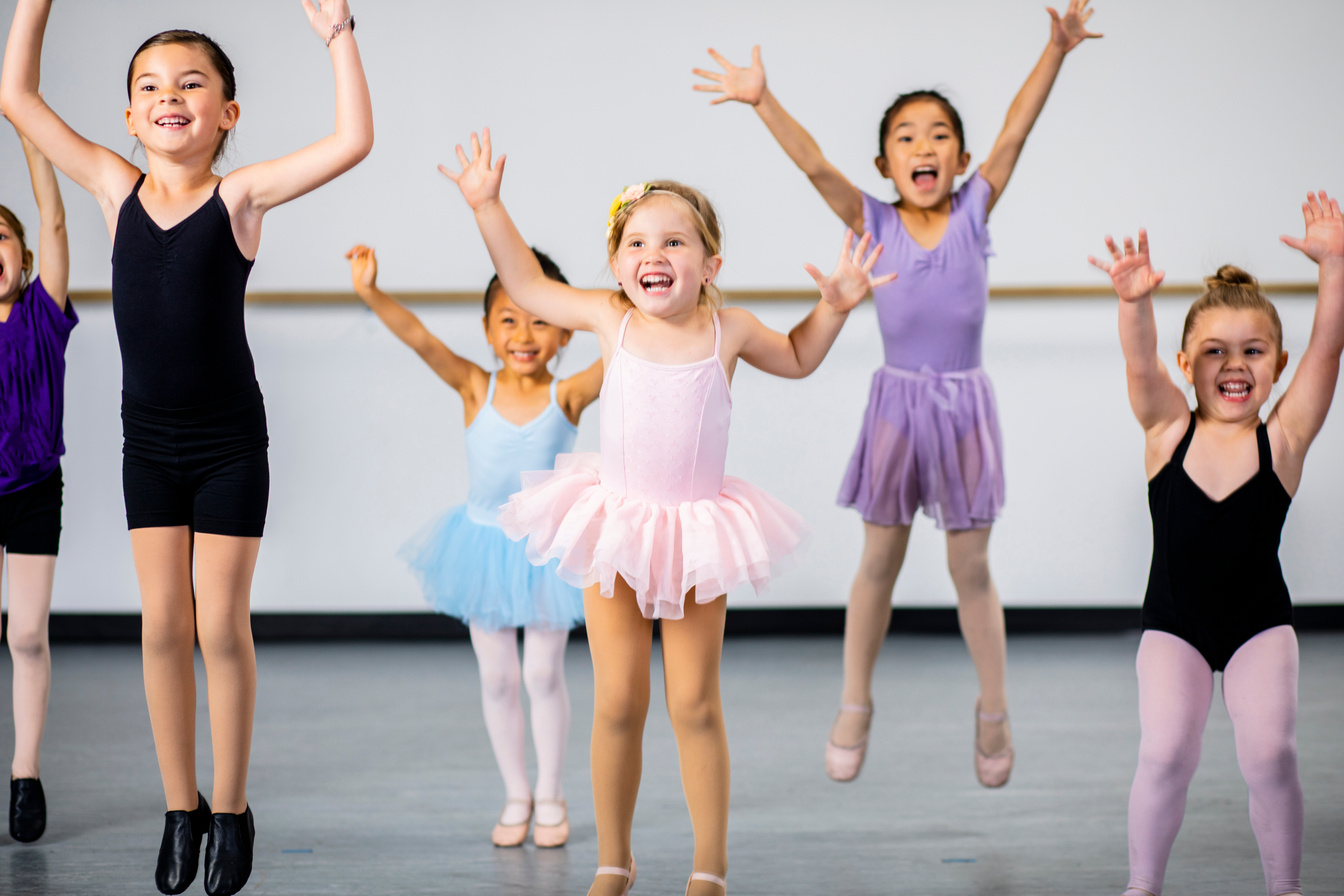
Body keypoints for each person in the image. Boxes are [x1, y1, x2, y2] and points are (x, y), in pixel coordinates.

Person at [441, 128, 892, 896]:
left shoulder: (731, 328)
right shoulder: (610, 319)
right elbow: (524, 282)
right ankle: (613, 860)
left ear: (710, 263)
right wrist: (488, 205)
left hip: (693, 536)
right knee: (618, 699)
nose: (656, 254)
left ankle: (708, 868)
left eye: (676, 241)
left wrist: (836, 307)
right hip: (614, 526)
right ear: (618, 264)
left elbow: (799, 356)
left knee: (694, 702)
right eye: (639, 241)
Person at [0, 3, 372, 893]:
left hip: (230, 442)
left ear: (227, 115)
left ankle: (234, 807)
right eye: (150, 87)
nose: (170, 97)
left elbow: (353, 140)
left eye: (192, 84)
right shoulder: (112, 186)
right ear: (130, 115)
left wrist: (339, 36)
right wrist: (38, 4)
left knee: (217, 623)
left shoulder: (239, 198)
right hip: (148, 443)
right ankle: (182, 806)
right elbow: (16, 95)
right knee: (161, 625)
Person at [693, 0, 1103, 786]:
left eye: (940, 135)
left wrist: (1055, 49)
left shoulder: (975, 207)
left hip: (964, 408)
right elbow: (815, 165)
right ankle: (855, 702)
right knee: (877, 561)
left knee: (970, 569)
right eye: (906, 137)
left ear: (960, 159)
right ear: (885, 164)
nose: (924, 146)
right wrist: (760, 99)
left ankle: (993, 710)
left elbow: (1016, 129)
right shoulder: (871, 218)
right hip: (896, 408)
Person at [1088, 194, 1344, 896]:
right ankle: (1142, 885)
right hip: (1175, 627)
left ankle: (1284, 887)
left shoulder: (1283, 439)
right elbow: (1141, 371)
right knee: (1166, 752)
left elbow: (1329, 350)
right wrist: (1134, 303)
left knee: (1271, 756)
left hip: (1261, 625)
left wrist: (1335, 268)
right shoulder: (1168, 432)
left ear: (1277, 363)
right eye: (1214, 352)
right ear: (1186, 363)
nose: (1235, 365)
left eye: (1253, 351)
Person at [345, 243, 602, 848]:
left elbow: (627, 353)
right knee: (498, 680)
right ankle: (516, 792)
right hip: (480, 550)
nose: (523, 333)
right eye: (508, 319)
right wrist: (371, 293)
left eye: (541, 319)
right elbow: (420, 339)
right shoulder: (473, 387)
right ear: (487, 329)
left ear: (567, 333)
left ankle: (551, 793)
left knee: (542, 674)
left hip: (545, 553)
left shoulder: (566, 395)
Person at [0, 126, 73, 845]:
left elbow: (53, 215)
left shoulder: (42, 318)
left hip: (31, 488)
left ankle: (25, 771)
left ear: (20, 257)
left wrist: (29, 129)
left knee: (26, 632)